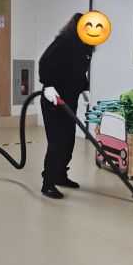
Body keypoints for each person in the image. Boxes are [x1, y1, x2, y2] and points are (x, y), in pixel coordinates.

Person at [38, 12, 92, 199]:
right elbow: (45, 62)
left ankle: (60, 175)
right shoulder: (64, 42)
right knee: (57, 142)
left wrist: (84, 88)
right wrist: (48, 85)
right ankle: (48, 183)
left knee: (69, 140)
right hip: (54, 99)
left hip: (70, 99)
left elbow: (80, 72)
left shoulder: (85, 47)